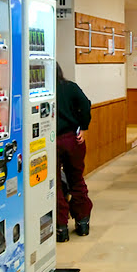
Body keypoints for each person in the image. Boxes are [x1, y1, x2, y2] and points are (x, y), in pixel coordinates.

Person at [56, 64, 93, 242]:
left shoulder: (39, 91)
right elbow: (86, 104)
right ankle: (82, 221)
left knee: (53, 184)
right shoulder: (69, 87)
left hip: (47, 142)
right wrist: (83, 127)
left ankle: (60, 226)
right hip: (72, 139)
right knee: (76, 179)